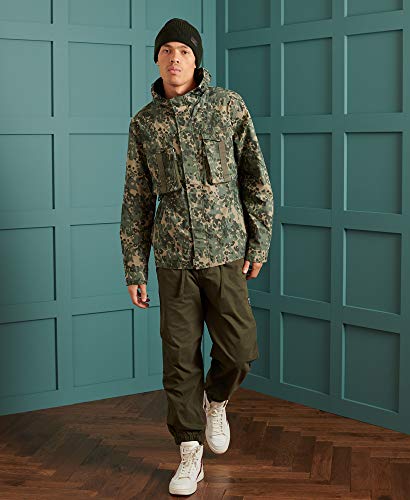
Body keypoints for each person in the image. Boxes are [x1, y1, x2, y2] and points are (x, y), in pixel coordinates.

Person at [119, 17, 274, 497]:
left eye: (183, 51)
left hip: (225, 252)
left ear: (196, 59)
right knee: (179, 358)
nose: (175, 59)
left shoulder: (228, 107)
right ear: (156, 59)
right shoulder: (144, 123)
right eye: (166, 50)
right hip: (173, 259)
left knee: (240, 349)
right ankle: (189, 452)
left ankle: (216, 400)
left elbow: (255, 179)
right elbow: (136, 200)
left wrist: (258, 242)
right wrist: (134, 267)